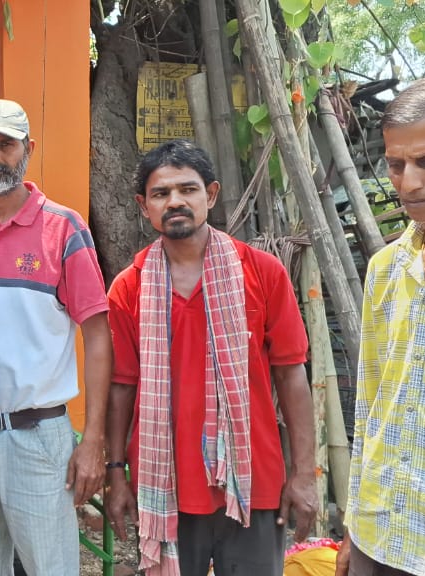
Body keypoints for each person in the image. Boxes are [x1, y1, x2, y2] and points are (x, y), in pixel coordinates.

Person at [104, 139, 316, 576]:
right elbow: (122, 385)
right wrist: (116, 473)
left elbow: (292, 376)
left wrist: (305, 474)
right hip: (165, 483)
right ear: (144, 206)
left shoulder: (261, 272)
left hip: (253, 480)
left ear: (212, 195)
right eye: (161, 194)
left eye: (188, 189)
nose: (176, 201)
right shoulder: (130, 287)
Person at [0, 99, 113, 574]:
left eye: (5, 145)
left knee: (48, 567)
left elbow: (98, 335)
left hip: (37, 436)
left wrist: (93, 439)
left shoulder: (63, 228)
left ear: (27, 150)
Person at [336, 77, 425, 576]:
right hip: (382, 537)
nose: (408, 182)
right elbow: (373, 405)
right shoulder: (386, 268)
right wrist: (355, 523)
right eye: (396, 164)